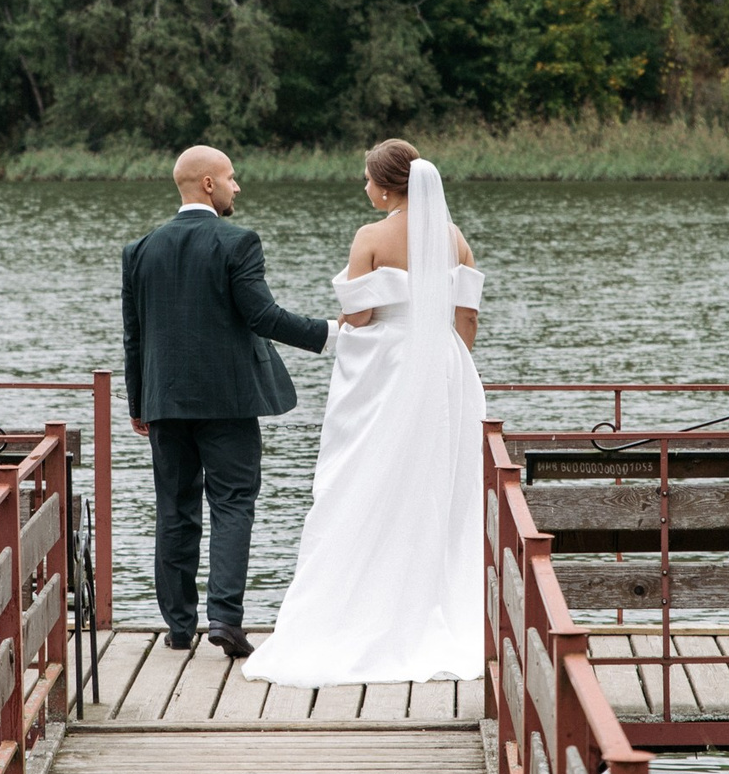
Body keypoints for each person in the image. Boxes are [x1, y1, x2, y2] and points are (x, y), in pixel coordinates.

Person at [243, 139, 486, 687]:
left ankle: (362, 610)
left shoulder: (370, 237)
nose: (365, 186)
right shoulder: (455, 238)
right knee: (439, 484)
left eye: (367, 178)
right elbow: (467, 320)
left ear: (384, 186)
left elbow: (358, 318)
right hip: (446, 369)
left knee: (368, 477)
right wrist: (446, 363)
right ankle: (437, 605)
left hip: (391, 370)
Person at [121, 145, 335, 659]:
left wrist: (137, 403)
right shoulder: (238, 241)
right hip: (230, 403)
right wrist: (331, 333)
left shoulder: (140, 249)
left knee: (174, 509)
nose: (237, 186)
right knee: (233, 504)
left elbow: (134, 336)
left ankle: (178, 628)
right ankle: (224, 619)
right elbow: (262, 315)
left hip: (163, 402)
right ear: (209, 184)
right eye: (232, 178)